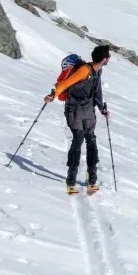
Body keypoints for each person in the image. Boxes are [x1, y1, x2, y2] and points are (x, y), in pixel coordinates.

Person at [44, 44, 111, 193]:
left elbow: (97, 91)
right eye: (108, 57)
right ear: (104, 59)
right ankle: (71, 179)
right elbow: (65, 83)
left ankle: (92, 177)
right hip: (74, 109)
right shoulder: (84, 70)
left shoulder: (97, 71)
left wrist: (102, 109)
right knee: (78, 140)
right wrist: (53, 96)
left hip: (88, 110)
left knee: (91, 141)